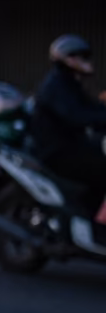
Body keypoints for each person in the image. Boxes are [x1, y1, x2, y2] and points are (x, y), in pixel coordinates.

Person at [30, 34, 106, 212]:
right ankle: (83, 214)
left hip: (71, 145)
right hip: (56, 151)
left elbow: (93, 108)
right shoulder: (56, 85)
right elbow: (76, 116)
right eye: (82, 57)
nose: (87, 62)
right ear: (69, 59)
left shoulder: (70, 83)